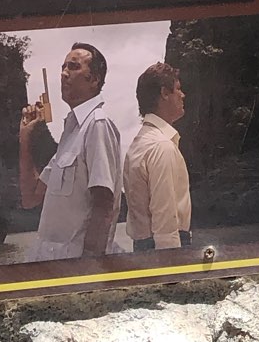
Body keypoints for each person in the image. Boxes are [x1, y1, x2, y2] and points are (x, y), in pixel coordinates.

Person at [18, 42, 122, 261]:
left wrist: (88, 267)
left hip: (74, 265)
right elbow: (30, 197)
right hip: (49, 263)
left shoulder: (97, 125)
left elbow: (104, 202)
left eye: (73, 67)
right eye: (63, 67)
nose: (64, 73)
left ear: (94, 79)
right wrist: (25, 138)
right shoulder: (71, 133)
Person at [123, 62, 192, 252]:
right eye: (177, 89)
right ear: (164, 93)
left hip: (143, 247)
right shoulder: (161, 146)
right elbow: (165, 222)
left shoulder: (139, 144)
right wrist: (172, 271)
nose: (182, 94)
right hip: (163, 247)